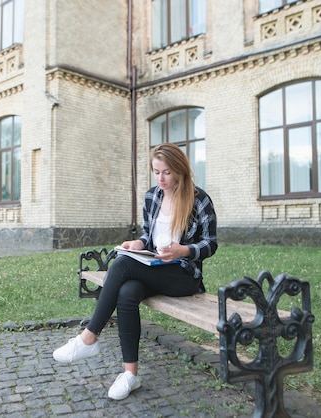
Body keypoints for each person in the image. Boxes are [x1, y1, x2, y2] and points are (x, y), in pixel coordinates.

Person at [52, 143, 218, 400]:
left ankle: (89, 337)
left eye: (166, 172)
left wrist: (182, 251)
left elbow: (211, 243)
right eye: (156, 171)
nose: (160, 178)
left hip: (183, 276)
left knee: (120, 264)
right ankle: (130, 374)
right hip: (153, 268)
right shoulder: (153, 196)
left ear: (180, 171)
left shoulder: (199, 200)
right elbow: (147, 237)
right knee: (127, 292)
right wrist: (137, 244)